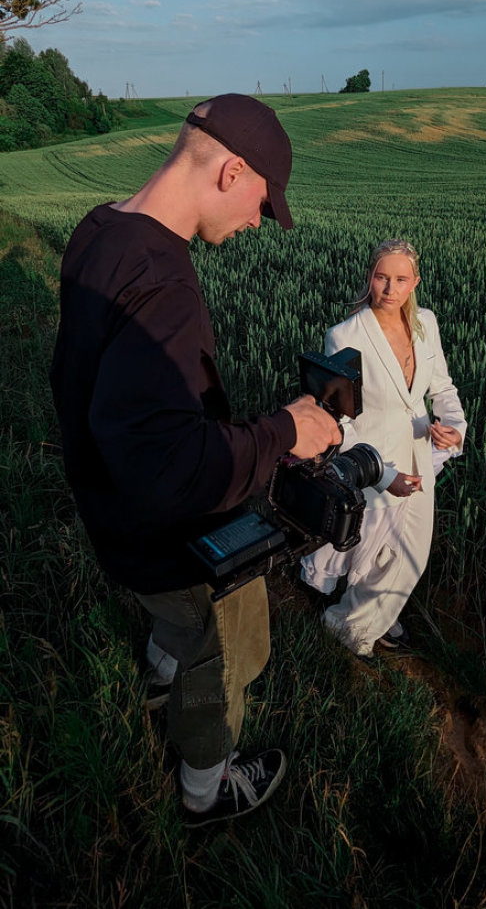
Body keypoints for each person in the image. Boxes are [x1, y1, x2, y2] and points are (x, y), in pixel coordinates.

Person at [49, 93, 340, 826]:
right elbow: (174, 471)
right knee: (223, 654)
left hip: (108, 513)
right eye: (261, 204)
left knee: (172, 633)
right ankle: (204, 792)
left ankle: (157, 677)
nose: (256, 223)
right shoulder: (166, 289)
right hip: (166, 541)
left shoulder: (100, 230)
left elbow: (106, 400)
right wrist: (283, 432)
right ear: (230, 170)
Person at [301, 239, 467, 658]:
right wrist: (384, 475)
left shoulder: (426, 324)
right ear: (369, 278)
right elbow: (342, 420)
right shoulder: (344, 335)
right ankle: (353, 633)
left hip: (419, 455)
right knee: (370, 550)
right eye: (381, 277)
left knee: (410, 553)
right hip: (371, 461)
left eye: (400, 279)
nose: (389, 288)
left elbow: (442, 387)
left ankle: (357, 622)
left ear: (415, 283)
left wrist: (453, 427)